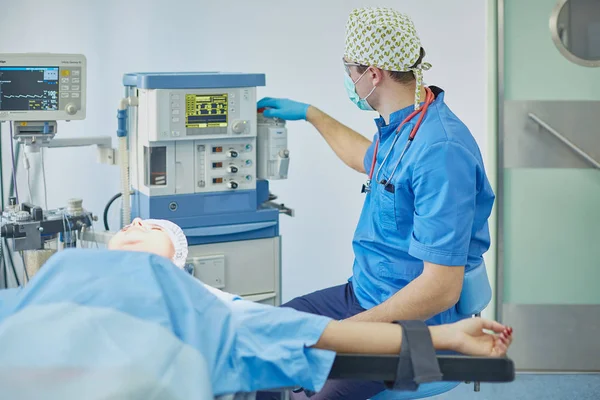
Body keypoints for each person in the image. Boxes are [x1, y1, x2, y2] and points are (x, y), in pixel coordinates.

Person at [256, 7, 496, 399]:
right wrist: (311, 115)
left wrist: (353, 331)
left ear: (373, 74)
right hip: (365, 296)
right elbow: (366, 158)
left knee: (316, 391)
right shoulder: (405, 125)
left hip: (417, 323)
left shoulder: (442, 152)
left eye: (350, 70)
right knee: (262, 339)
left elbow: (440, 289)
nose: (348, 80)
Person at [0, 217, 511, 398]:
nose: (135, 224)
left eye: (151, 227)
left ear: (177, 261)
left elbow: (319, 333)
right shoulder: (64, 270)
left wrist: (446, 337)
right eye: (130, 226)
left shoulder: (201, 306)